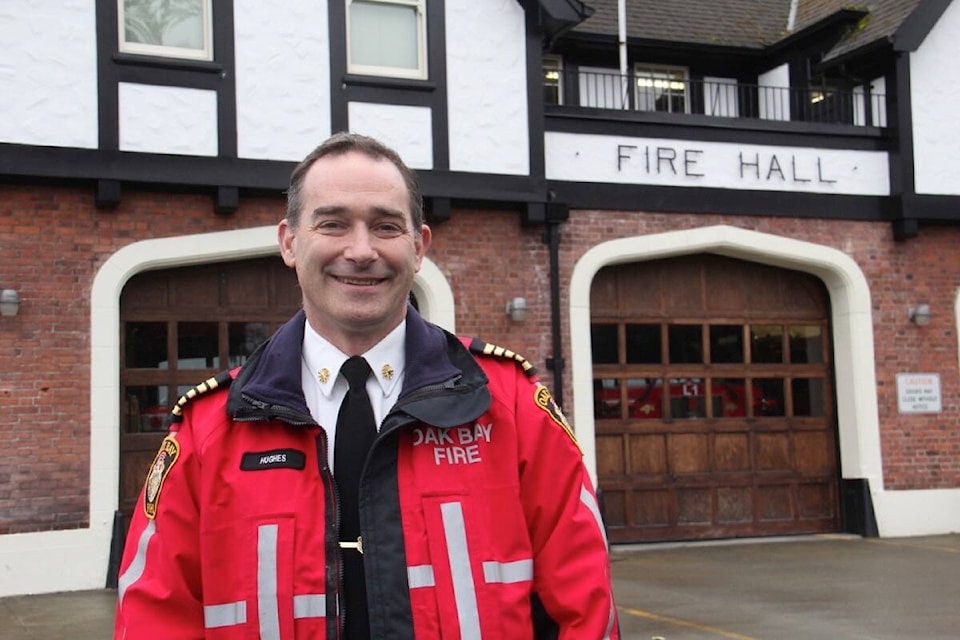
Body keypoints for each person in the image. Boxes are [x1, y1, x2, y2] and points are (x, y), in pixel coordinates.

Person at [113, 132, 620, 639]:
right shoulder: (209, 430)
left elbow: (585, 604)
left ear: (419, 247)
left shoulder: (506, 402)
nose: (361, 251)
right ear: (290, 242)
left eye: (385, 226)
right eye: (333, 224)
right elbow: (154, 618)